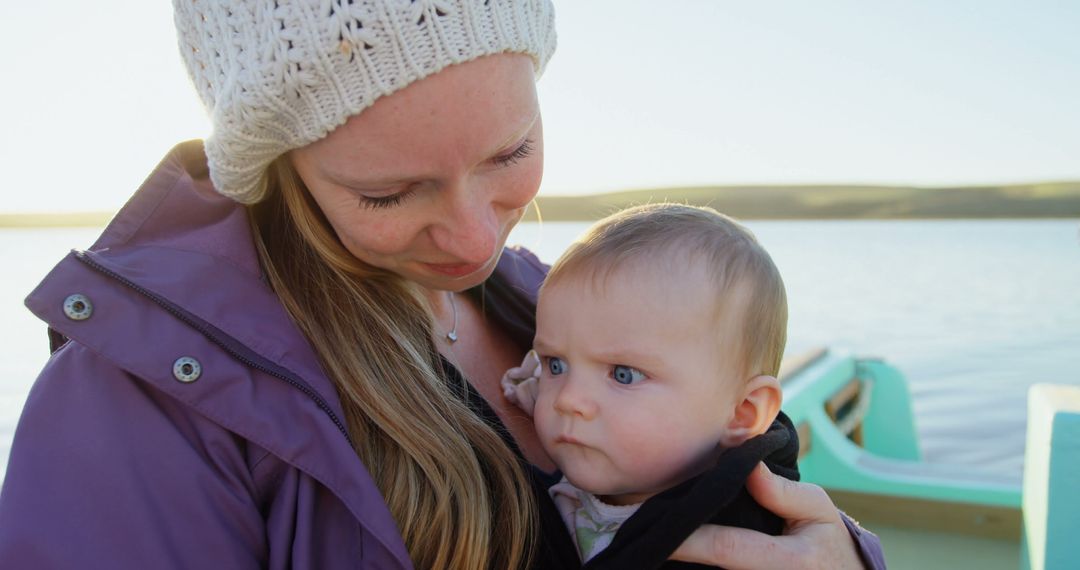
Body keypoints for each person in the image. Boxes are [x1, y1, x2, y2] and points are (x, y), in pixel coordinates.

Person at [0, 1, 884, 568]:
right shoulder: (144, 398)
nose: (476, 239)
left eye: (511, 153)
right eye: (387, 192)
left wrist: (845, 558)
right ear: (279, 165)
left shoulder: (555, 303)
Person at [500, 203, 797, 568]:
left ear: (742, 413)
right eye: (556, 364)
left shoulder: (743, 539)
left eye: (623, 374)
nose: (568, 400)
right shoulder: (614, 445)